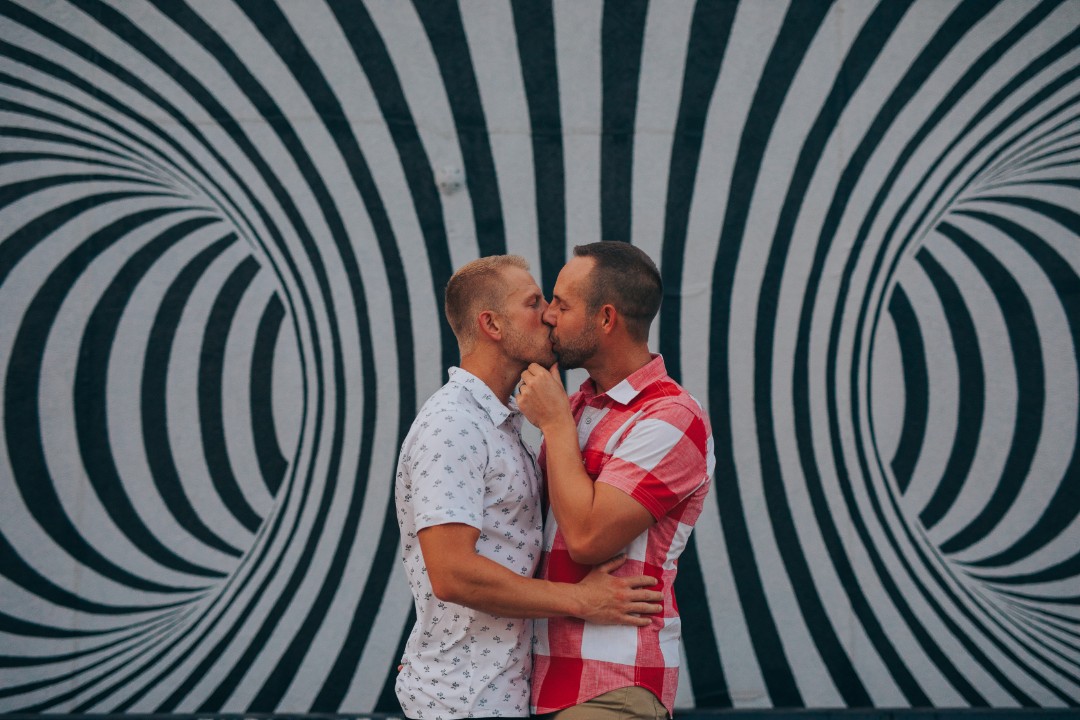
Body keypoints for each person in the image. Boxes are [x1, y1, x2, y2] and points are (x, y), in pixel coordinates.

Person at [394, 255, 664, 720]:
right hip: (459, 700)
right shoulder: (453, 424)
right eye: (534, 302)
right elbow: (452, 573)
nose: (549, 315)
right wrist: (581, 600)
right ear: (492, 324)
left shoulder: (501, 425)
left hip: (498, 694)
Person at [516, 242, 715, 719]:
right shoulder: (582, 405)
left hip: (613, 687)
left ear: (606, 319)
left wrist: (556, 425)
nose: (548, 315)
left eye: (562, 304)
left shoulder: (672, 417)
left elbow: (586, 537)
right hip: (539, 684)